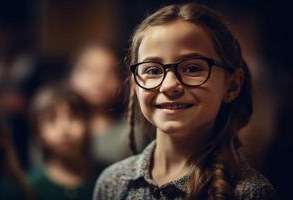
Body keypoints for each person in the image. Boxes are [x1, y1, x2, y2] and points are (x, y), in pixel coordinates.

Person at [94, 3, 277, 200]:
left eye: (192, 68)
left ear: (231, 86)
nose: (169, 85)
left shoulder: (251, 193)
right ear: (136, 86)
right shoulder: (112, 183)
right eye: (153, 71)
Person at [70, 43, 149, 166]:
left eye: (110, 72)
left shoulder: (130, 134)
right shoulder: (53, 125)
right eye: (91, 70)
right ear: (72, 74)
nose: (100, 80)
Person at [29, 85, 100, 200]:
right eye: (52, 120)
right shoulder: (30, 186)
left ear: (89, 124)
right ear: (38, 134)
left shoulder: (107, 178)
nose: (64, 129)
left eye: (73, 117)